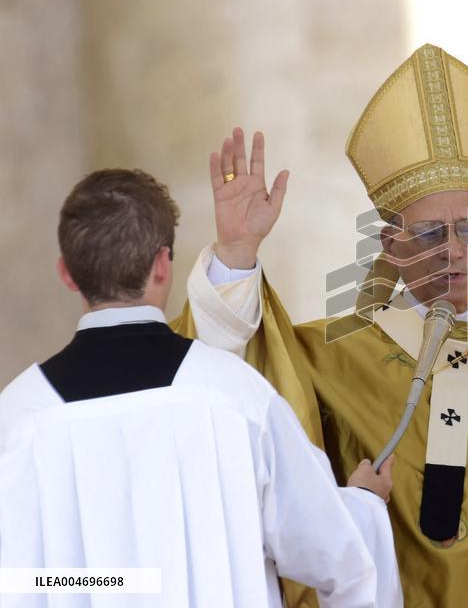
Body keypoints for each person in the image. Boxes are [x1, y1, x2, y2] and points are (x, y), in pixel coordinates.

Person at [177, 43, 468, 608]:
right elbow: (223, 380)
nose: (452, 251)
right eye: (427, 235)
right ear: (389, 246)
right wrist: (236, 253)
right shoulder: (325, 358)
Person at [0, 169, 403, 608]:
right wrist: (364, 505)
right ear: (161, 264)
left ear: (67, 273)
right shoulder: (236, 398)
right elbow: (340, 560)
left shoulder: (16, 420)